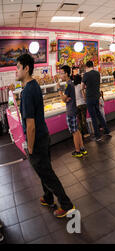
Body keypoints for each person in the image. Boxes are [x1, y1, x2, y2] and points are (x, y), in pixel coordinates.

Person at [16, 54, 75, 218]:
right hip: (44, 135)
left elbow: (30, 125)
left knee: (46, 173)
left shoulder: (27, 92)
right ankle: (48, 197)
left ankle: (66, 204)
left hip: (38, 139)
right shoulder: (34, 85)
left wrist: (31, 147)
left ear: (26, 68)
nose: (16, 71)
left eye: (18, 67)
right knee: (44, 170)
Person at [57, 66, 87, 158]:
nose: (60, 75)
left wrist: (59, 89)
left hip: (70, 111)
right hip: (73, 109)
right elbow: (66, 98)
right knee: (77, 130)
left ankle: (77, 151)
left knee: (74, 132)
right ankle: (82, 148)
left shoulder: (69, 85)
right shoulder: (70, 84)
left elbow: (63, 99)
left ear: (66, 73)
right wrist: (66, 98)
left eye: (61, 73)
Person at [82, 60, 110, 141]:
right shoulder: (97, 73)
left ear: (86, 66)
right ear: (93, 66)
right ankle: (107, 130)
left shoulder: (86, 75)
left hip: (89, 97)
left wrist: (85, 90)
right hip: (96, 96)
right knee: (99, 114)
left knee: (93, 116)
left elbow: (82, 87)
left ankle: (97, 136)